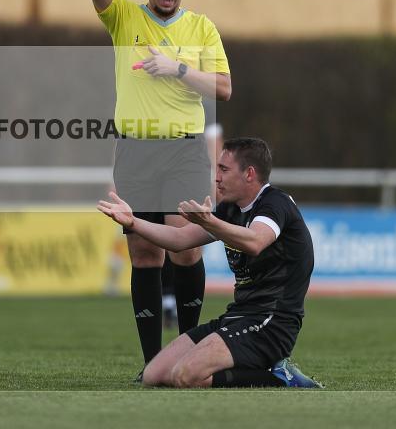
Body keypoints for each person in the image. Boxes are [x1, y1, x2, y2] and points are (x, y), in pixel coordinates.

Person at [69, 0, 233, 368]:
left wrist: (177, 69)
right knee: (143, 251)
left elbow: (223, 89)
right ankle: (150, 363)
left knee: (184, 250)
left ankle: (187, 354)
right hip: (135, 149)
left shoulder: (201, 29)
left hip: (184, 151)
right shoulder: (125, 17)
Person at [98, 138, 322, 388]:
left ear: (249, 174)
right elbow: (180, 239)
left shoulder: (274, 203)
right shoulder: (231, 209)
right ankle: (258, 366)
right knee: (154, 375)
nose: (217, 178)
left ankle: (278, 377)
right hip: (237, 316)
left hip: (271, 322)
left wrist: (209, 222)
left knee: (185, 376)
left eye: (224, 170)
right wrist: (133, 223)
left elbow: (256, 241)